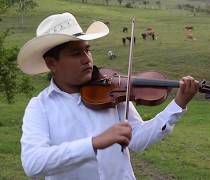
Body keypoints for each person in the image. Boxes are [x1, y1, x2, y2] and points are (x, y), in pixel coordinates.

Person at [18, 12, 199, 180]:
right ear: (52, 63)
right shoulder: (40, 107)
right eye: (76, 53)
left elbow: (137, 139)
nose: (86, 58)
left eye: (87, 50)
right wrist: (94, 143)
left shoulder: (111, 89)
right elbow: (33, 163)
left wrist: (177, 105)